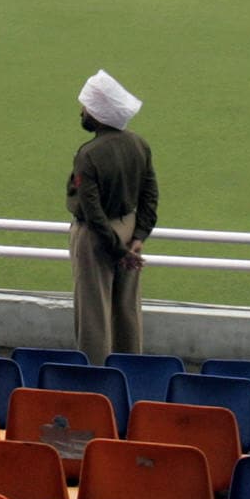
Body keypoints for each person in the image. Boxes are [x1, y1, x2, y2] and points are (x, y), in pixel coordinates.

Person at [66, 70, 159, 364]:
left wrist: (117, 250)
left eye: (87, 107)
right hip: (129, 230)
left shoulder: (88, 154)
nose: (82, 112)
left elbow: (92, 211)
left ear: (98, 114)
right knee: (127, 309)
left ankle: (96, 375)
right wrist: (138, 238)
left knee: (93, 311)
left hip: (97, 238)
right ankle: (131, 368)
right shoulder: (139, 145)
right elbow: (150, 194)